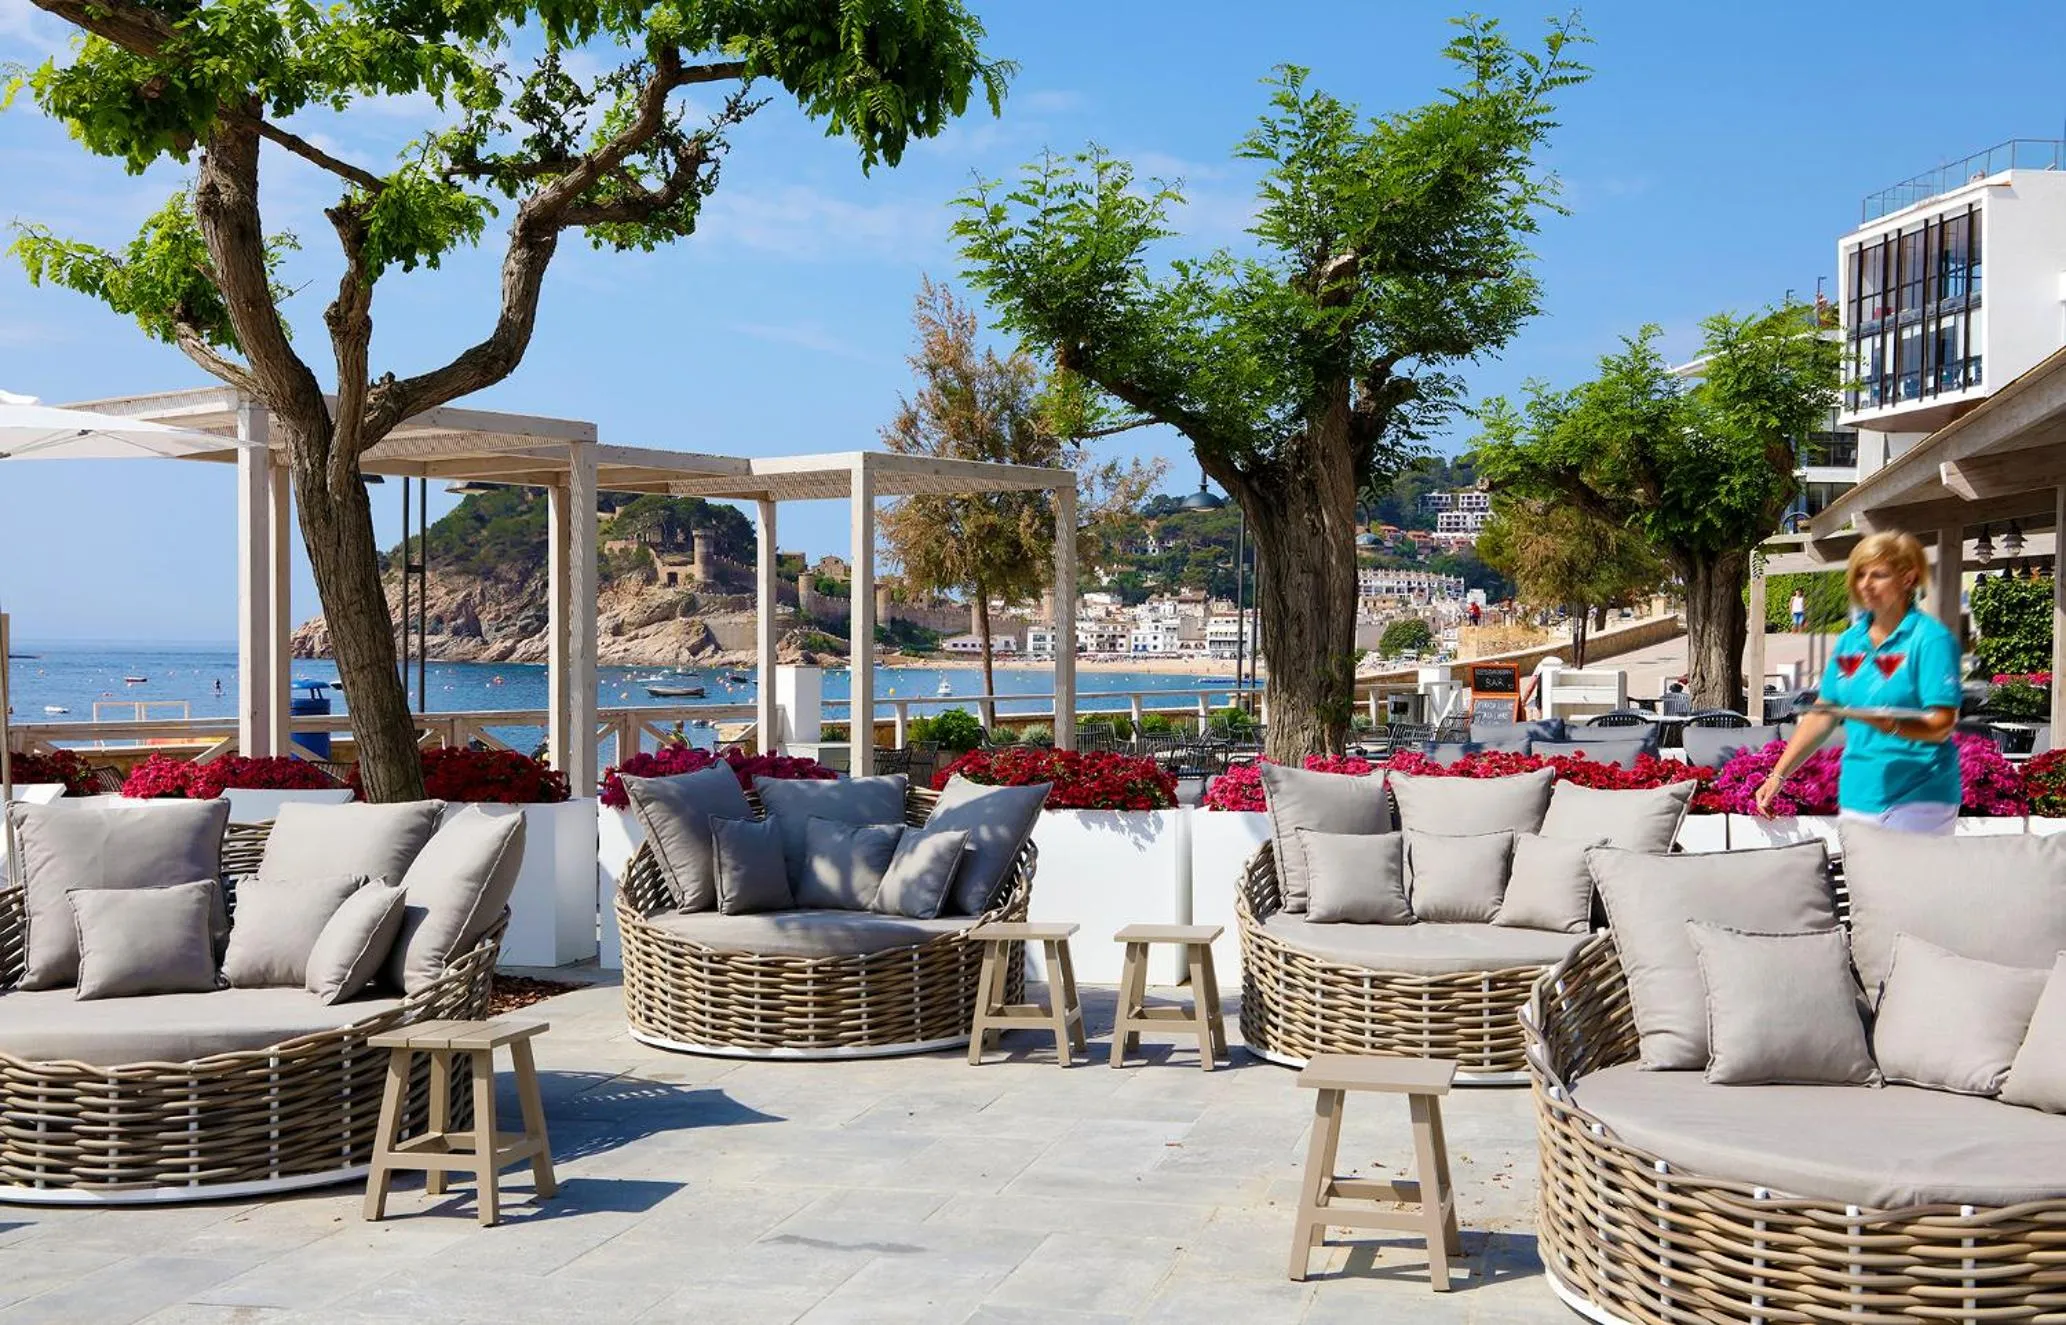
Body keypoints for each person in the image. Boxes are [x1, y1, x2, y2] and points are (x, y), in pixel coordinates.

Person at [1754, 532, 1961, 834]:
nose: (1865, 583)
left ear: (1907, 578)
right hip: (1859, 793)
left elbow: (1943, 723)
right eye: (1861, 573)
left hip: (1920, 795)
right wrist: (1777, 776)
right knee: (1863, 882)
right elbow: (1823, 712)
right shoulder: (1851, 640)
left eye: (1878, 574)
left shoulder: (1931, 639)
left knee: (1903, 881)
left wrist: (1892, 725)